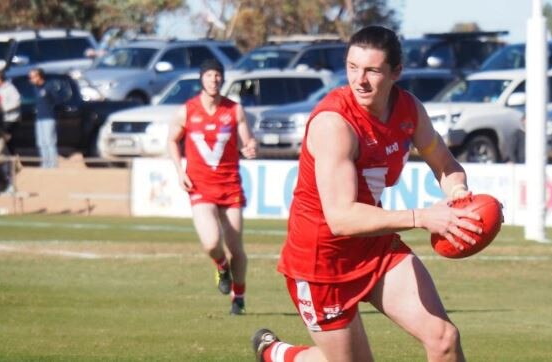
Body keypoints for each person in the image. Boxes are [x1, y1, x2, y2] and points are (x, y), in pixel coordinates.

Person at [252, 26, 482, 362]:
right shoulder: (334, 124)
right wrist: (422, 217)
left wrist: (460, 195)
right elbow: (342, 218)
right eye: (352, 68)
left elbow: (445, 163)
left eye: (372, 70)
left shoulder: (409, 110)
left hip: (375, 245)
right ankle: (279, 355)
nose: (360, 80)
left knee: (444, 338)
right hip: (322, 261)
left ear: (396, 72)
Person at [167, 58, 257, 315]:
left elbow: (247, 141)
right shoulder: (187, 110)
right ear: (201, 79)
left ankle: (238, 298)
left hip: (230, 187)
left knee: (236, 248)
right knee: (211, 243)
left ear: (222, 79)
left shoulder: (234, 110)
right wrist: (178, 170)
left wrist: (250, 148)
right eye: (209, 75)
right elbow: (172, 140)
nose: (214, 80)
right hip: (200, 187)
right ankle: (220, 266)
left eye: (218, 75)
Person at [28, 68, 58, 168]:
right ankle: (45, 164)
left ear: (39, 76)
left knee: (49, 142)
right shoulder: (35, 88)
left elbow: (55, 100)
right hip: (39, 118)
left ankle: (53, 164)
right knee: (41, 142)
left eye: (33, 77)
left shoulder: (48, 86)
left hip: (48, 118)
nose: (31, 79)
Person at [0, 70, 21, 191]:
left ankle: (10, 181)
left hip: (10, 121)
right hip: (1, 123)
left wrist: (4, 109)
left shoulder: (10, 88)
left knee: (8, 151)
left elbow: (16, 101)